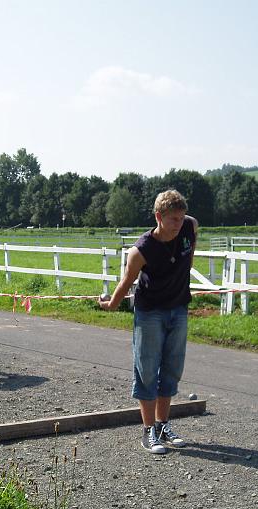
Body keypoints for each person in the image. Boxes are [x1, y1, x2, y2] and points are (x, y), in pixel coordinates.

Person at [99, 189, 198, 454]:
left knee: (172, 368)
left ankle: (163, 424)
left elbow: (191, 249)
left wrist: (183, 270)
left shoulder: (190, 227)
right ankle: (148, 431)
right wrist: (112, 304)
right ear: (158, 217)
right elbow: (126, 281)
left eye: (181, 218)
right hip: (150, 313)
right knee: (147, 369)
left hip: (178, 309)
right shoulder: (141, 250)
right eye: (173, 219)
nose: (179, 224)